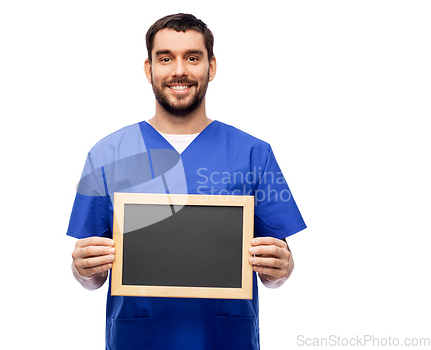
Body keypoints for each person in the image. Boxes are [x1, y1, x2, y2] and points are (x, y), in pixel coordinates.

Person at [67, 13, 306, 350]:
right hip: (137, 339)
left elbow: (275, 273)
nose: (179, 70)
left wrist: (280, 268)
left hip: (225, 340)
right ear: (149, 69)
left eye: (192, 58)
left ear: (211, 67)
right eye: (166, 58)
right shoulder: (108, 154)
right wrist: (83, 268)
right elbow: (91, 277)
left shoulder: (253, 153)